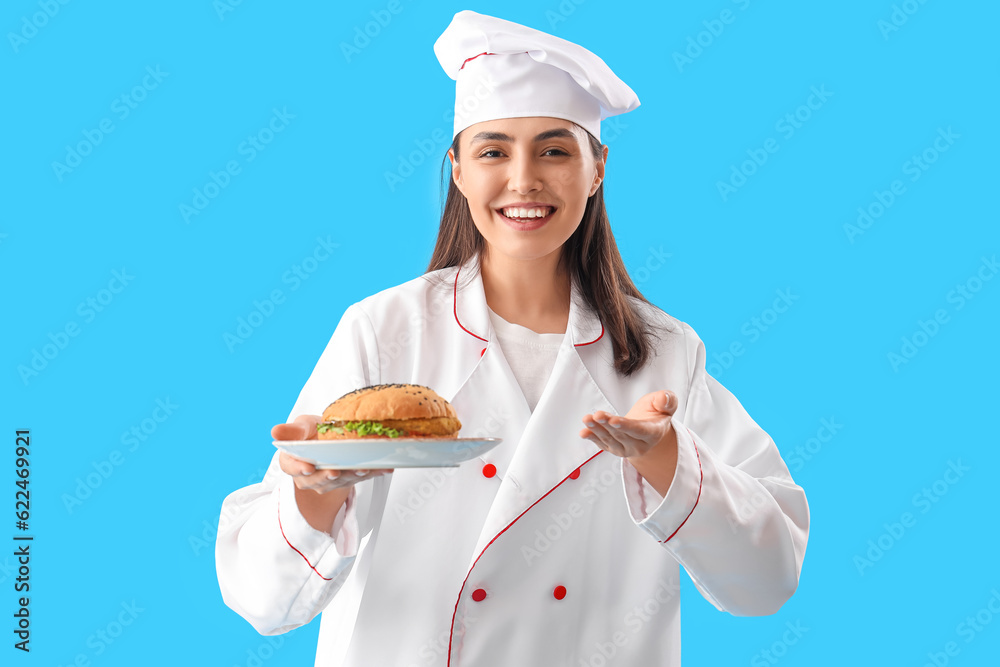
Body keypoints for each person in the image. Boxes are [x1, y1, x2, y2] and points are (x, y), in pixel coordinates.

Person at [216, 10, 809, 666]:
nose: (524, 178)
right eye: (493, 150)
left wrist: (668, 459)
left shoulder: (664, 353)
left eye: (555, 149)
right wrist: (314, 494)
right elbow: (261, 600)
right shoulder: (383, 332)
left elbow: (768, 578)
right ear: (459, 169)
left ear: (598, 167)